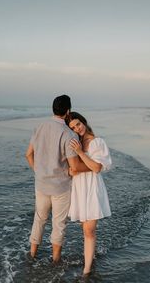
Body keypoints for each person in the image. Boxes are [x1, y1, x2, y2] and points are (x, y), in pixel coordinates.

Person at [25, 95, 90, 263]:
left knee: (39, 219)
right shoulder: (69, 135)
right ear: (68, 111)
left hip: (41, 184)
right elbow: (74, 167)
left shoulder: (40, 127)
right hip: (60, 187)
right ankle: (55, 261)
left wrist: (39, 172)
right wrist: (94, 166)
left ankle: (31, 255)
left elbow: (28, 155)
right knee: (58, 224)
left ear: (53, 109)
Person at [65, 111, 112, 276]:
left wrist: (80, 153)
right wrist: (71, 171)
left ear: (83, 121)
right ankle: (90, 256)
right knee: (85, 229)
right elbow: (73, 169)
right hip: (79, 188)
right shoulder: (75, 143)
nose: (77, 128)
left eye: (78, 124)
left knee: (89, 230)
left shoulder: (97, 142)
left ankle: (86, 270)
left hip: (92, 187)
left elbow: (97, 167)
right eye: (73, 127)